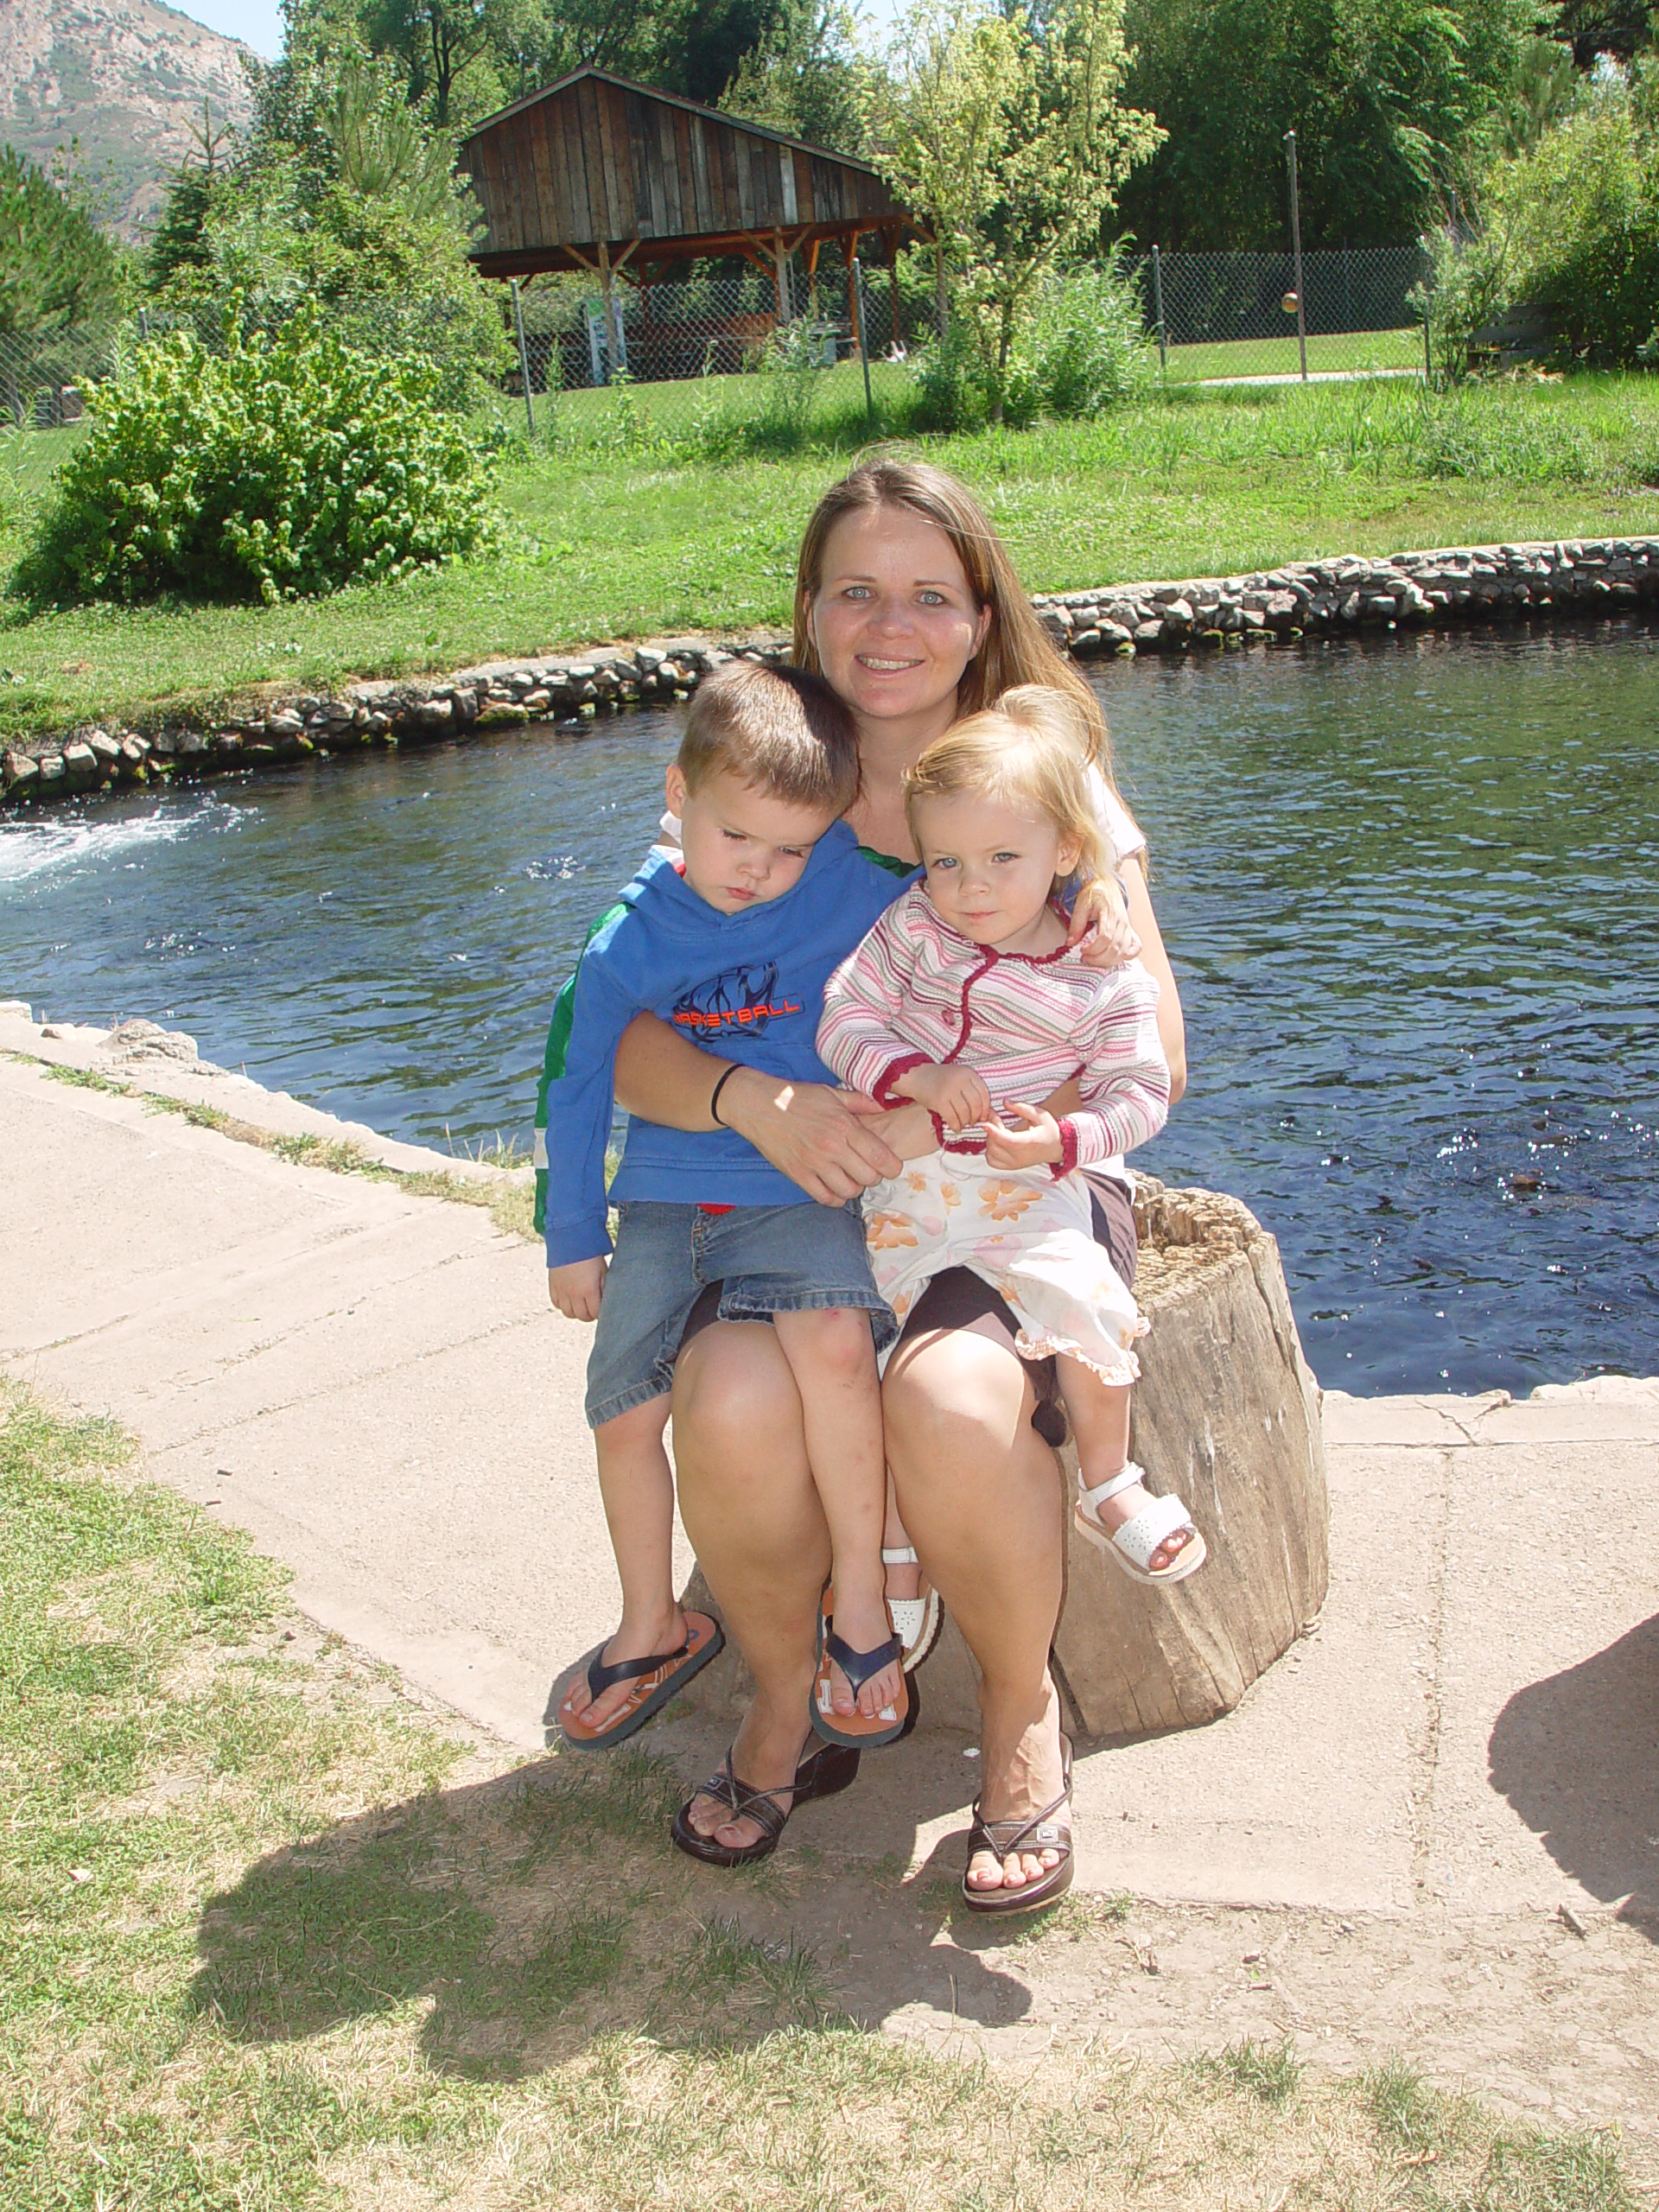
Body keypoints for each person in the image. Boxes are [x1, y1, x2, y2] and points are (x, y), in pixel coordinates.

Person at [601, 458, 1189, 1905]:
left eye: (930, 591)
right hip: (798, 1187)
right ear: (807, 610)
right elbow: (621, 1039)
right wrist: (765, 1101)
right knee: (730, 1399)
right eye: (855, 589)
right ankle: (795, 1694)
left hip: (1006, 1186)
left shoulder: (1045, 792)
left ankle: (1016, 1713)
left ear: (982, 612)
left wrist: (957, 1124)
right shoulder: (759, 781)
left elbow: (1154, 1046)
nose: (890, 622)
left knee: (950, 1393)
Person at [543, 659, 911, 1762]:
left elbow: (972, 892)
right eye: (737, 837)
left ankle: (860, 1604)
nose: (759, 870)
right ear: (676, 794)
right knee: (619, 1412)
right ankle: (651, 1622)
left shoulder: (856, 881)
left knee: (837, 1343)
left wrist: (1084, 902)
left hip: (798, 1188)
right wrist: (571, 1235)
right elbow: (573, 1079)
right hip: (659, 1199)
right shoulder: (627, 936)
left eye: (791, 846)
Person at [818, 684, 1205, 1595]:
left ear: (1066, 851)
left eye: (1002, 857)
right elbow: (843, 1015)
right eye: (946, 861)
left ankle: (1109, 1479)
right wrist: (911, 1074)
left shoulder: (1097, 973)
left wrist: (1064, 1140)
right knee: (871, 1356)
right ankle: (898, 1547)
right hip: (904, 1187)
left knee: (1083, 1297)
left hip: (1026, 1187)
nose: (972, 886)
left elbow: (1144, 1091)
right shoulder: (912, 928)